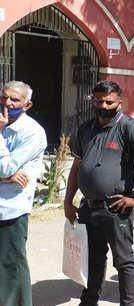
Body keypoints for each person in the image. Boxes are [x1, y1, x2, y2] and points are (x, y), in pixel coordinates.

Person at [64, 80, 134, 306]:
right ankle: (89, 301)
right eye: (99, 101)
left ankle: (128, 304)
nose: (104, 105)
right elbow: (76, 167)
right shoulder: (85, 129)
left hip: (116, 208)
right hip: (88, 207)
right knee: (93, 259)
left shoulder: (129, 127)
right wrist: (68, 201)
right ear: (92, 101)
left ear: (119, 102)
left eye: (109, 102)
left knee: (124, 262)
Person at [0, 81, 47, 306]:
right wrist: (5, 176)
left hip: (10, 208)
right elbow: (7, 172)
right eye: (4, 97)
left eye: (15, 100)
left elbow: (7, 169)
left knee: (12, 265)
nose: (7, 103)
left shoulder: (33, 132)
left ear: (27, 105)